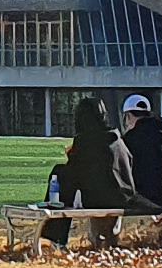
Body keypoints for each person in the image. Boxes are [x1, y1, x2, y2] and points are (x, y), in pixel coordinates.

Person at [46, 95, 129, 245]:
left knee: (60, 174)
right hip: (123, 196)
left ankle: (55, 236)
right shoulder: (117, 140)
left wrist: (71, 155)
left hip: (99, 199)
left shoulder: (86, 140)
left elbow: (76, 172)